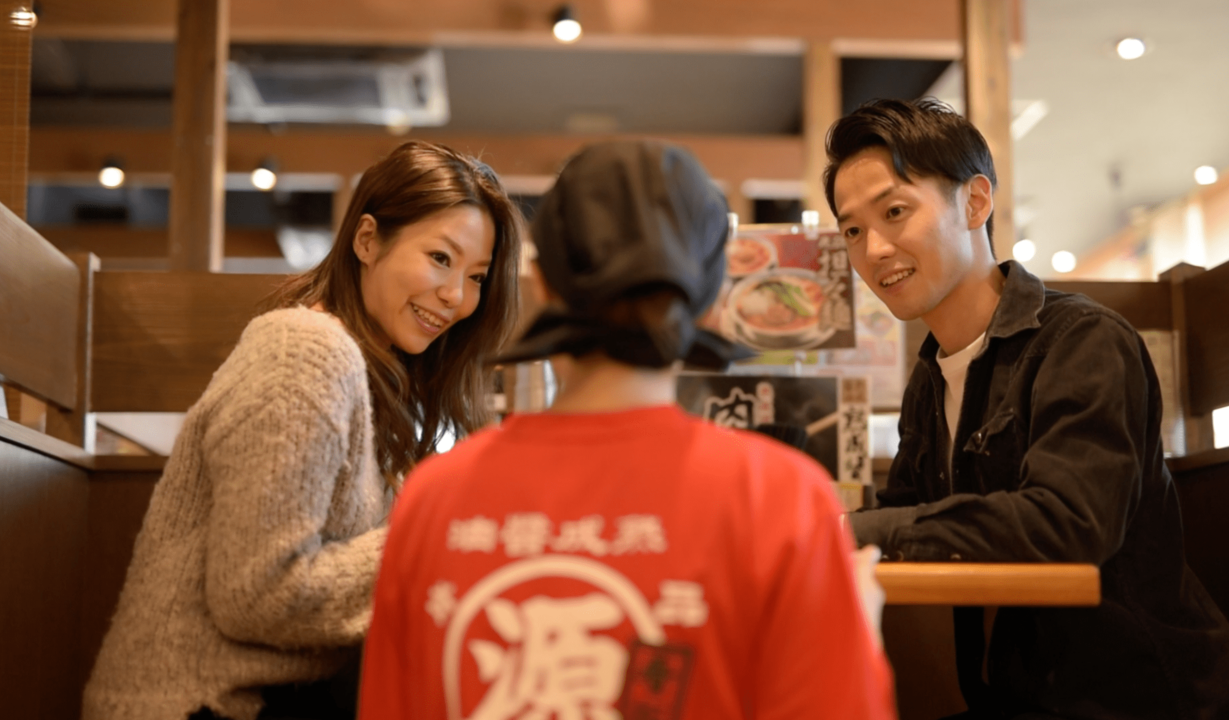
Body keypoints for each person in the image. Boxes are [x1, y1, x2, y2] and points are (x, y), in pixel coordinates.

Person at [358, 140, 897, 720]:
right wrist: (856, 633)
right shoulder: (781, 499)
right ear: (715, 298)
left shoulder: (433, 499)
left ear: (542, 284)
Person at [825, 98, 1229, 720]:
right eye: (853, 231)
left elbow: (1067, 526)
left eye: (894, 212)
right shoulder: (932, 372)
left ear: (975, 202)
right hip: (1016, 695)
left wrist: (851, 533)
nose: (874, 250)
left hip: (1142, 697)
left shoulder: (1082, 341)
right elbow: (909, 511)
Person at [83, 140, 523, 720]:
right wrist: (434, 535)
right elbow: (257, 594)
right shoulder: (304, 350)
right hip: (195, 705)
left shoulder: (372, 376)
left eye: (477, 277)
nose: (456, 297)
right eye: (441, 258)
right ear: (367, 241)